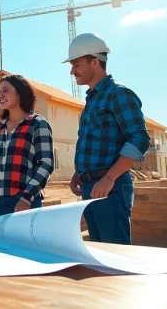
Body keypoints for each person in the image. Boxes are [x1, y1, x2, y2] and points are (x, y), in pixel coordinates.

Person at [64, 33, 150, 245]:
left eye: (76, 64)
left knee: (116, 258)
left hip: (110, 189)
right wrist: (79, 173)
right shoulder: (93, 99)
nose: (72, 71)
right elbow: (94, 142)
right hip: (91, 186)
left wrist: (109, 178)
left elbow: (139, 138)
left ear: (95, 62)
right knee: (100, 254)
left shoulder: (118, 94)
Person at [0, 74, 55, 218]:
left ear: (21, 92)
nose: (0, 95)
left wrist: (27, 197)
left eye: (5, 90)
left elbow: (46, 164)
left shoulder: (37, 124)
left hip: (23, 203)